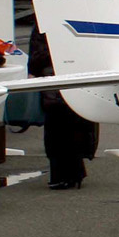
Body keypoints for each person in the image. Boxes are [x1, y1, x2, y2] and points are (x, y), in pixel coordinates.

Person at [28, 24, 98, 189]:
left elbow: (36, 60)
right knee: (72, 128)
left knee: (57, 132)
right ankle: (73, 173)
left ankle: (64, 175)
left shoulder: (43, 26)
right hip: (72, 79)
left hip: (54, 83)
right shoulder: (74, 23)